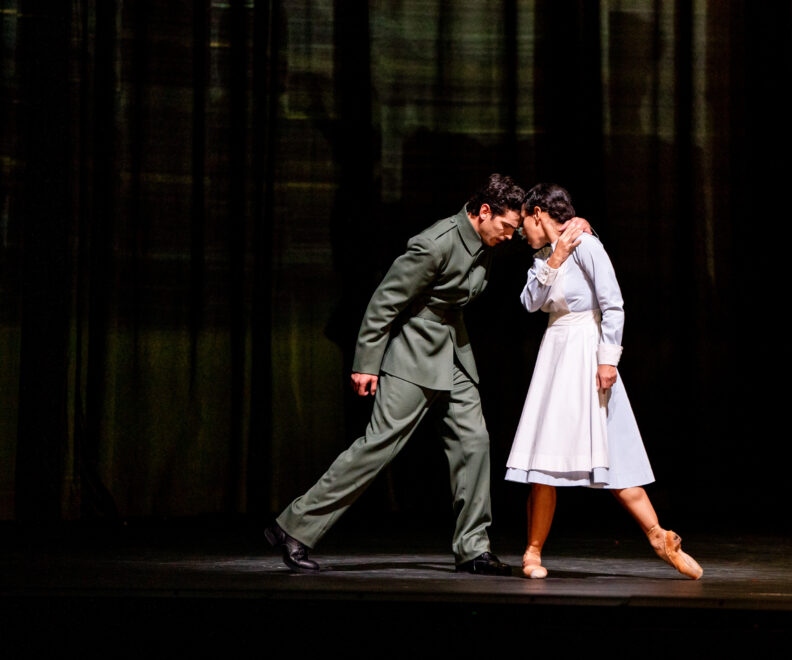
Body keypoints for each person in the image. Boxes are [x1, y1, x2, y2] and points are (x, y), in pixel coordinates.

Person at [265, 173, 526, 575]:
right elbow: (384, 302)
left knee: (474, 443)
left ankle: (473, 548)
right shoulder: (434, 244)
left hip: (454, 354)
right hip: (413, 355)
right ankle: (294, 527)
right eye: (507, 227)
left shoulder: (488, 239)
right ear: (484, 212)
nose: (511, 237)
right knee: (379, 446)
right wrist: (365, 364)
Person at [505, 183, 703, 580]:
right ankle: (532, 552)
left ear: (539, 213)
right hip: (556, 353)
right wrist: (554, 258)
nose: (521, 231)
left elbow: (613, 303)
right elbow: (530, 302)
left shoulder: (587, 245)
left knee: (613, 450)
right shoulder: (545, 255)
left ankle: (658, 536)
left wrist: (608, 359)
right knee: (544, 458)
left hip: (587, 350)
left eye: (525, 220)